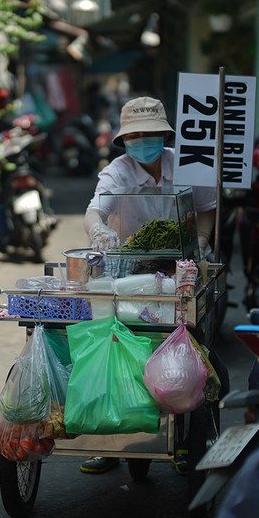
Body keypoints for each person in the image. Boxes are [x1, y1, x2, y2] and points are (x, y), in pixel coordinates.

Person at [79, 96, 219, 474]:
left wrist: (202, 242)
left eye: (150, 134)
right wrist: (98, 229)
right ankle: (112, 437)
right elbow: (96, 208)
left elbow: (206, 208)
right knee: (127, 346)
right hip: (132, 275)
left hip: (182, 272)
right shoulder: (117, 172)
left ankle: (188, 431)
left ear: (164, 135)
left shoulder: (186, 163)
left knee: (189, 346)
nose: (143, 140)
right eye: (134, 135)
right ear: (124, 140)